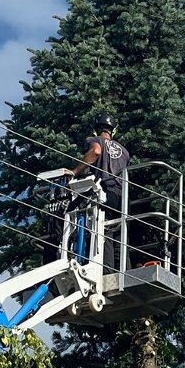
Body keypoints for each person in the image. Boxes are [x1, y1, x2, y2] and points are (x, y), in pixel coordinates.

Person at [68, 112, 130, 272]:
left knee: (105, 230)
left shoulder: (94, 140)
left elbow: (95, 151)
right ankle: (125, 271)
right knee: (120, 233)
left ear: (96, 130)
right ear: (113, 130)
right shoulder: (124, 151)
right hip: (123, 197)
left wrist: (75, 171)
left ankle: (107, 272)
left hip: (106, 191)